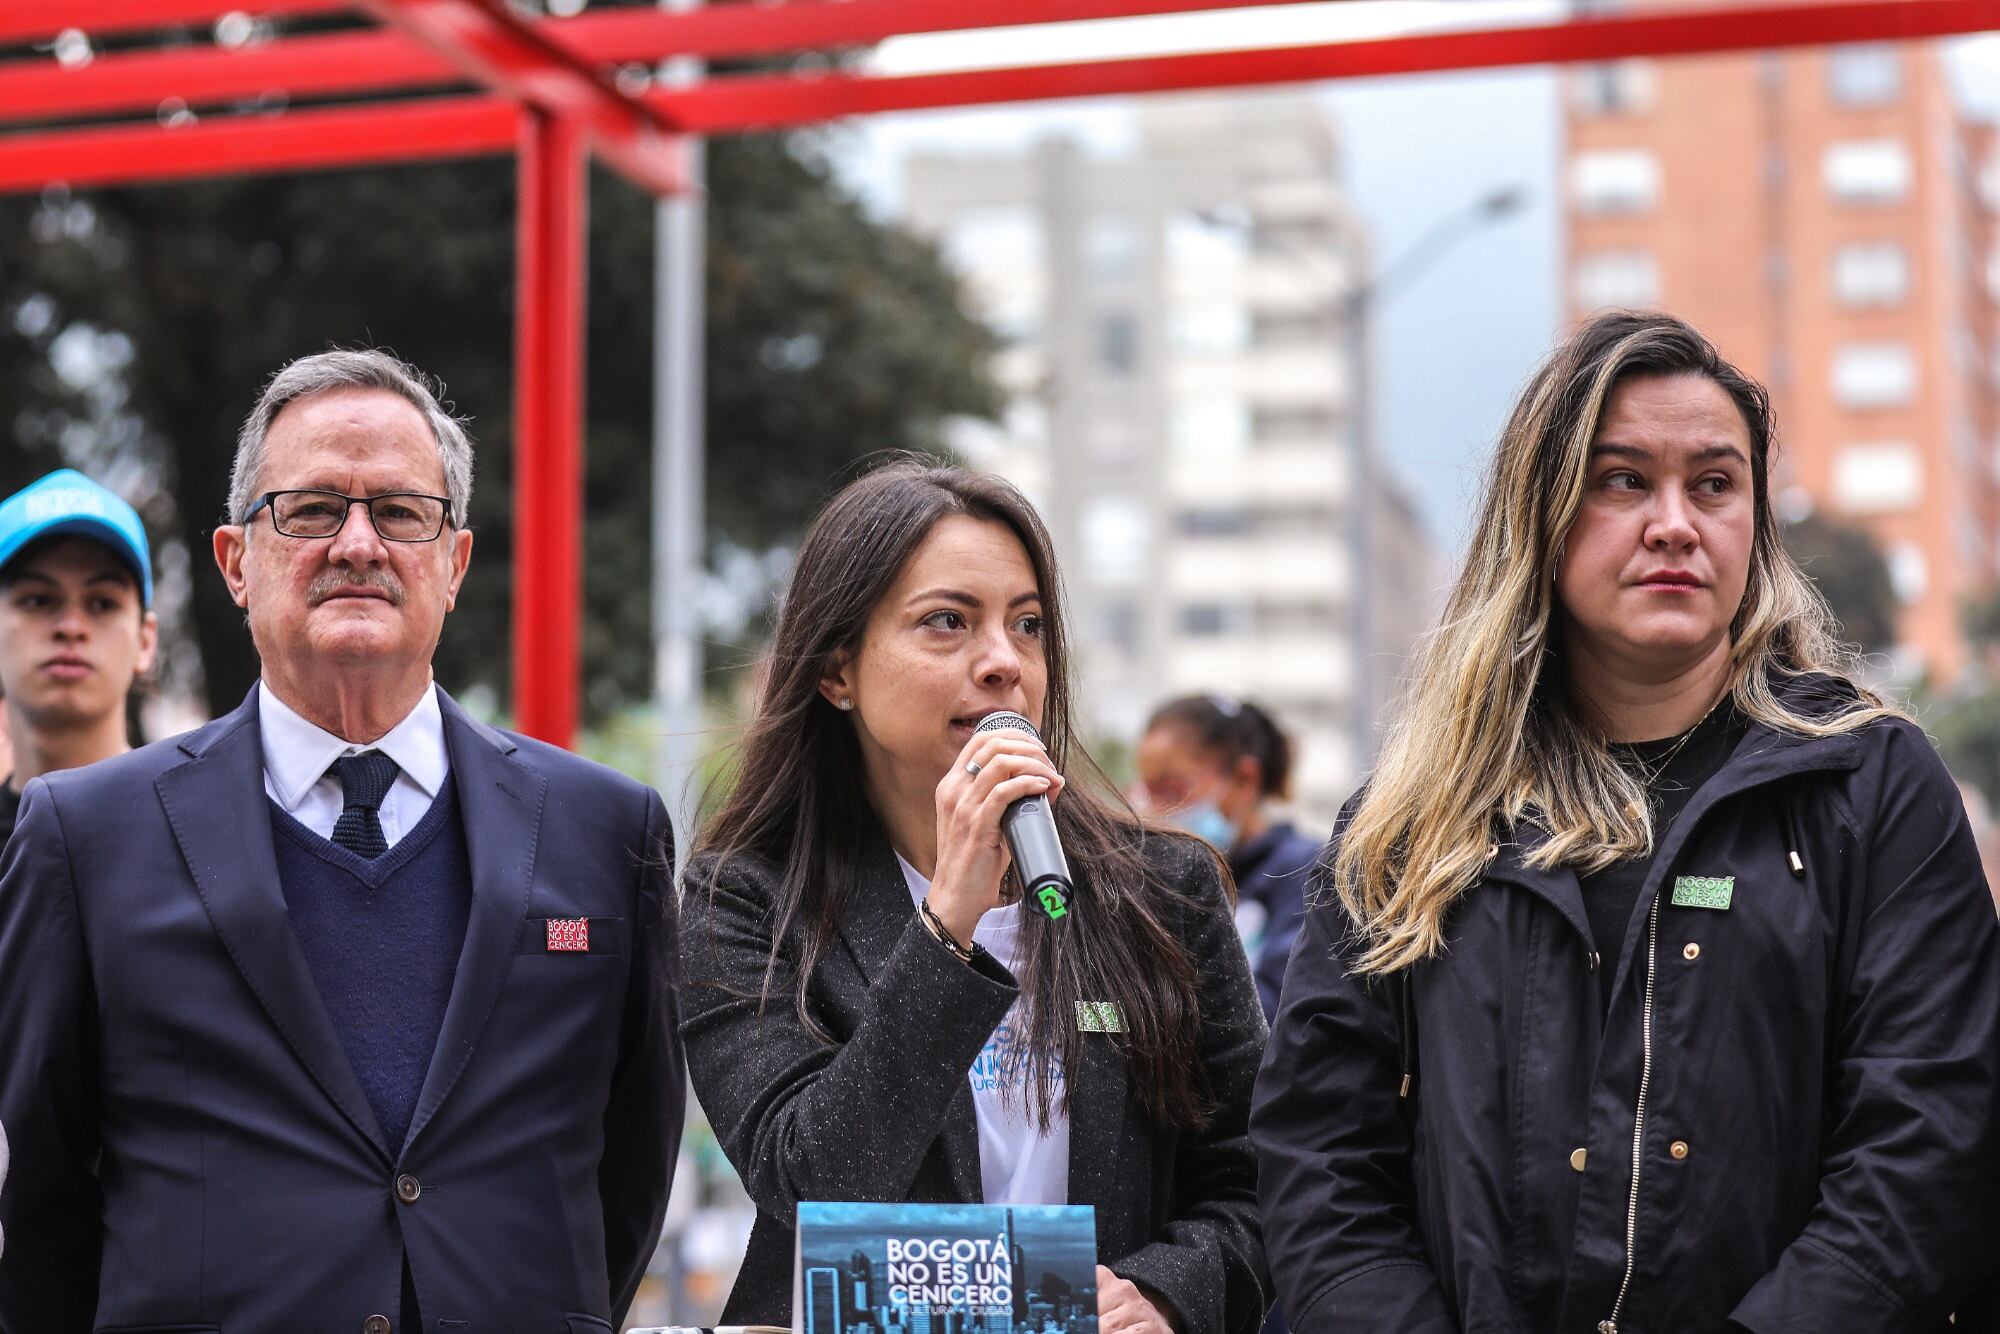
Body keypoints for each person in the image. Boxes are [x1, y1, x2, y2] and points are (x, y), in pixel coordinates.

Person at [1252, 311, 2000, 1333]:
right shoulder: (1412, 817)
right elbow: (1316, 1155)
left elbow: (1927, 1143)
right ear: (1541, 514)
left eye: (1712, 483)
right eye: (1621, 480)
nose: (1673, 523)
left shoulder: (1867, 783)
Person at [0, 349, 683, 1332]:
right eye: (313, 508)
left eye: (401, 512)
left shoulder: (606, 830)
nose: (358, 543)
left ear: (454, 562)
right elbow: (39, 1207)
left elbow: (626, 1175)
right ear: (236, 561)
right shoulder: (86, 835)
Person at [679, 460, 1270, 1334]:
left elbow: (1255, 1177)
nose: (1002, 663)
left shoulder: (1165, 892)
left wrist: (1170, 1293)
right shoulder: (746, 902)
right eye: (947, 623)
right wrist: (949, 924)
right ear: (837, 670)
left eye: (1026, 626)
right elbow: (812, 1185)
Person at [0, 469, 159, 848]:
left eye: (102, 603)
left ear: (145, 642)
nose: (71, 627)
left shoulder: (206, 831)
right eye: (38, 600)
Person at [1135, 694, 1319, 1020]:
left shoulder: (1304, 872)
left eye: (1173, 790)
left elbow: (1283, 1011)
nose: (1157, 812)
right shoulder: (1169, 877)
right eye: (1149, 793)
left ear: (1244, 779)